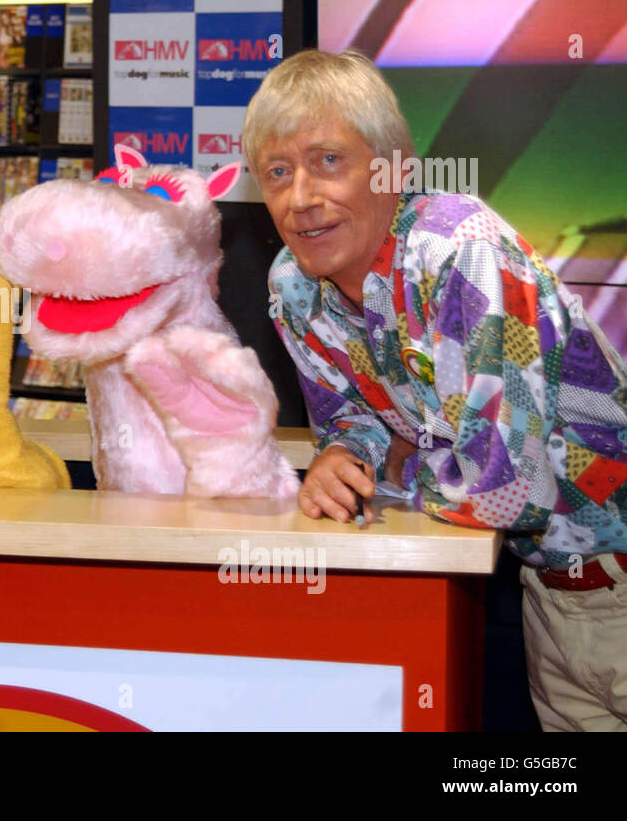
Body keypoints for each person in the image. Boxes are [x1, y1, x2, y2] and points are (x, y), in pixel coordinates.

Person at [244, 49, 627, 731]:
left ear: (393, 165)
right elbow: (348, 424)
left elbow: (505, 487)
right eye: (277, 172)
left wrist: (392, 464)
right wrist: (340, 459)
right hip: (550, 592)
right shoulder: (293, 286)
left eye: (328, 160)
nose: (300, 196)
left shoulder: (460, 247)